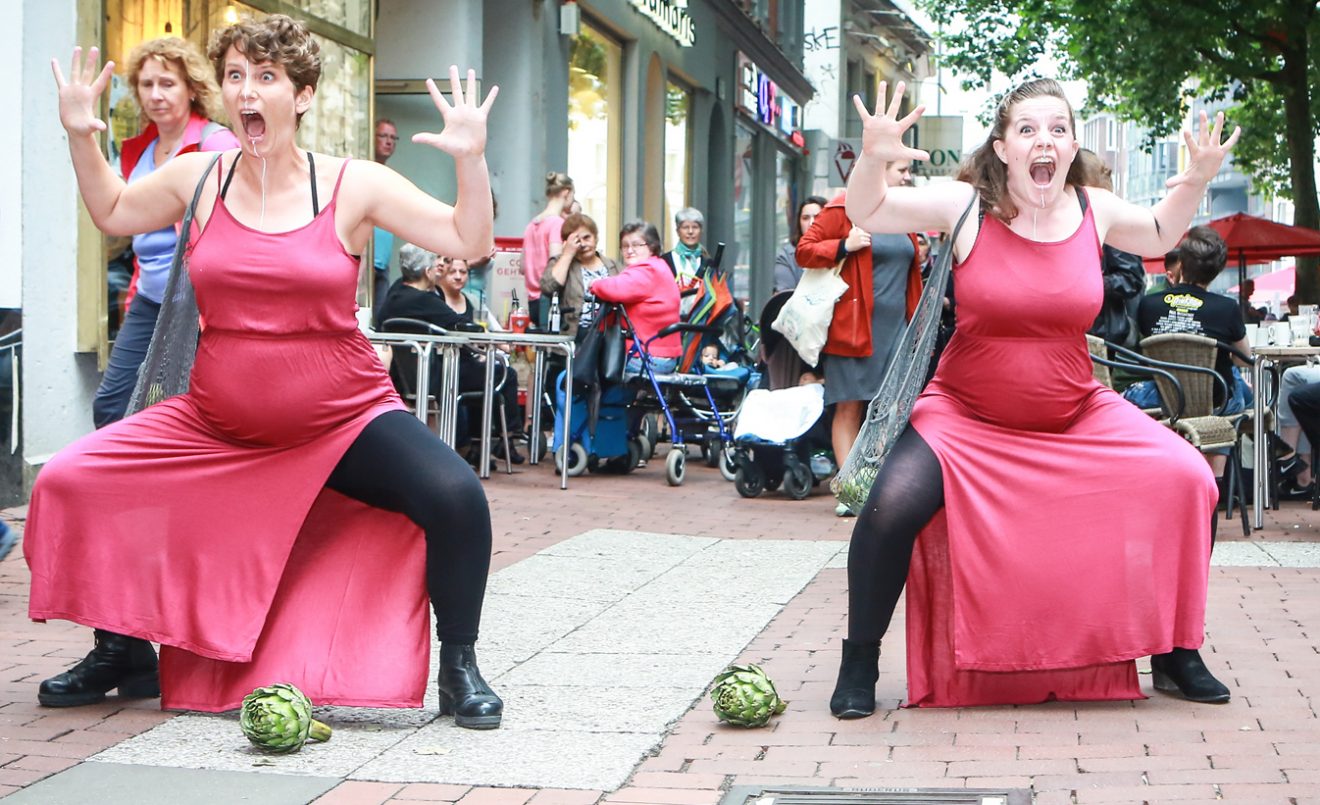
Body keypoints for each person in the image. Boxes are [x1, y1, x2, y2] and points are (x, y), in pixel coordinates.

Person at [30, 16, 504, 728]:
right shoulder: (200, 175)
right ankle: (123, 649)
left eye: (266, 77)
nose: (246, 91)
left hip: (343, 418)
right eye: (234, 77)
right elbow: (114, 210)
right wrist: (80, 134)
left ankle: (460, 665)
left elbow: (469, 238)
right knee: (73, 479)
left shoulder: (353, 184)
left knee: (457, 497)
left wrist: (470, 159)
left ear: (303, 94)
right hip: (216, 419)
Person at [830, 77, 1239, 719]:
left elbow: (1161, 233)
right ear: (1002, 146)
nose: (1042, 139)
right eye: (1026, 129)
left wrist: (1195, 179)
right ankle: (858, 663)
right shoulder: (965, 204)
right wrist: (875, 156)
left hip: (1074, 410)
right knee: (888, 508)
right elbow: (870, 212)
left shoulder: (1093, 207)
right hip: (965, 414)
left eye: (1056, 127)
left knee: (1189, 477)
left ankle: (1174, 651)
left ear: (1072, 144)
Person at [93, 37, 240, 428]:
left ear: (192, 87)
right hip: (148, 299)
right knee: (112, 405)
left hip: (200, 304)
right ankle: (126, 487)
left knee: (193, 413)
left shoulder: (216, 142)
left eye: (168, 83)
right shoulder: (139, 149)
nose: (156, 94)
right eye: (146, 84)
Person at [796, 167, 924, 518]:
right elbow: (805, 250)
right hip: (852, 327)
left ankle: (878, 482)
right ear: (879, 170)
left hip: (897, 329)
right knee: (849, 406)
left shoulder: (903, 215)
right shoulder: (843, 208)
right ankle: (851, 489)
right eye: (902, 169)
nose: (908, 175)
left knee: (892, 409)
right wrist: (843, 246)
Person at [1127, 226, 1254, 420]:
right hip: (1216, 399)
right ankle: (1218, 447)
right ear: (1217, 271)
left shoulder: (1148, 304)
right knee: (1235, 377)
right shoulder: (1227, 307)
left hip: (1164, 396)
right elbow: (1244, 359)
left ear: (1181, 264)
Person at [439, 256, 525, 463]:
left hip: (471, 364)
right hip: (446, 366)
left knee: (496, 373)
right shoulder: (436, 301)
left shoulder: (473, 300)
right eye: (453, 272)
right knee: (493, 375)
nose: (459, 277)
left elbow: (491, 330)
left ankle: (496, 441)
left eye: (463, 272)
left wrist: (505, 344)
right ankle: (502, 440)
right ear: (443, 274)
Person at [590, 221, 682, 378]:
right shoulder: (660, 266)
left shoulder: (647, 270)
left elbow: (615, 288)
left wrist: (594, 284)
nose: (629, 250)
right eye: (625, 246)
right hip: (665, 356)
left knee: (573, 374)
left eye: (637, 245)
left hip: (647, 356)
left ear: (652, 247)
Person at [1077, 150, 1146, 348]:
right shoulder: (1071, 217)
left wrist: (1088, 283)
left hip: (1101, 334)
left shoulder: (1115, 222)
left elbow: (1130, 279)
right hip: (1080, 328)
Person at [540, 211, 620, 339]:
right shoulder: (560, 262)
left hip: (608, 334)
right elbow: (548, 287)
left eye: (587, 237)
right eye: (577, 240)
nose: (583, 244)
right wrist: (567, 254)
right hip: (574, 336)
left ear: (596, 237)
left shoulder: (613, 266)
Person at [521, 172, 574, 329]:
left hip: (532, 300)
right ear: (566, 192)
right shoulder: (557, 224)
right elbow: (555, 261)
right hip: (550, 300)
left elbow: (522, 267)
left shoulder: (531, 225)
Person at [370, 118, 400, 323]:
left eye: (393, 137)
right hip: (365, 260)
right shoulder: (364, 169)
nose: (389, 141)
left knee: (379, 321)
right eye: (383, 136)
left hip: (383, 261)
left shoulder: (390, 175)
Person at [773, 196, 828, 293]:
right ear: (799, 223)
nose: (811, 223)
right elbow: (785, 295)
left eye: (817, 217)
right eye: (805, 218)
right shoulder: (786, 257)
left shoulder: (842, 249)